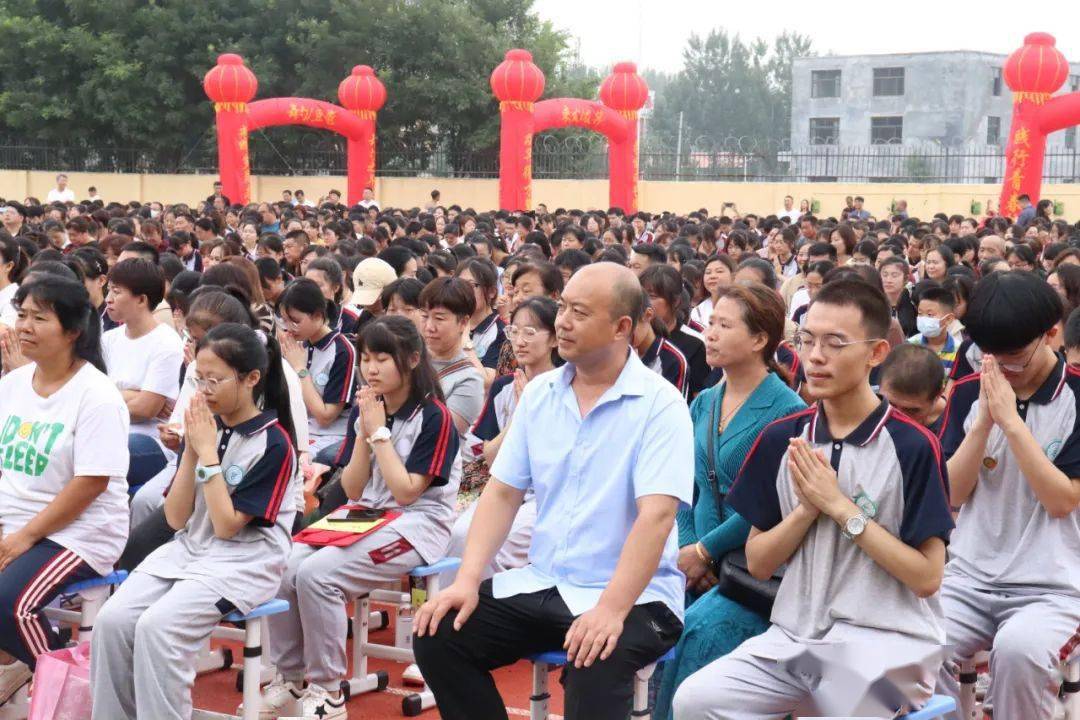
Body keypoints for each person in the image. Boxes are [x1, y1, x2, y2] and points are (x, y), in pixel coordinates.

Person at [413, 262, 690, 720]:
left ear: (622, 327)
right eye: (563, 307)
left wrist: (610, 609)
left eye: (579, 313)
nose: (562, 321)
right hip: (545, 580)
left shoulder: (661, 406)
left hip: (636, 596)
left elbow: (656, 517)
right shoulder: (542, 394)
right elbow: (501, 494)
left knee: (595, 658)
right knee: (439, 633)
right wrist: (466, 580)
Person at [674, 279, 954, 719]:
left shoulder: (911, 446)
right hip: (795, 639)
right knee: (696, 701)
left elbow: (926, 578)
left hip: (891, 646)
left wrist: (842, 509)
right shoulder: (782, 439)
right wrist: (807, 510)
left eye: (836, 343)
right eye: (807, 339)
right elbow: (761, 563)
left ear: (876, 353)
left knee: (842, 706)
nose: (816, 356)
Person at [91, 323, 298, 720]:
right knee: (112, 620)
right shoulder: (206, 427)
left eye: (215, 379)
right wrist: (192, 448)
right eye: (198, 378)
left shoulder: (273, 443)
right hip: (189, 549)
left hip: (244, 562)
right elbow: (174, 517)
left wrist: (207, 454)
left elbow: (226, 526)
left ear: (252, 378)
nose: (204, 389)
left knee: (158, 629)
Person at [257, 316, 460, 719]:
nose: (370, 368)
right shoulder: (368, 408)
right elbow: (352, 489)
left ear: (413, 359)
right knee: (284, 564)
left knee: (319, 576)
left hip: (418, 522)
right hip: (365, 512)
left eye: (383, 358)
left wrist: (380, 434)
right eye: (366, 357)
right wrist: (367, 436)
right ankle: (291, 675)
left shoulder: (435, 417)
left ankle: (328, 690)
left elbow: (406, 492)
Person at [655, 284, 805, 720]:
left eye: (724, 325)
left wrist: (707, 551)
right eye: (711, 323)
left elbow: (767, 504)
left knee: (698, 635)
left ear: (759, 340)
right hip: (692, 557)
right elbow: (687, 483)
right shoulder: (704, 400)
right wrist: (690, 547)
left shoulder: (787, 412)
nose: (711, 334)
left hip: (756, 565)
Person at [936, 271, 1080, 720]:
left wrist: (1012, 424)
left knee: (1019, 651)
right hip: (970, 574)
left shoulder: (1076, 395)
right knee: (920, 643)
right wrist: (983, 423)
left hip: (1055, 584)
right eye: (988, 352)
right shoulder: (966, 393)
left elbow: (1061, 501)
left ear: (1051, 333)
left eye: (1014, 354)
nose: (1000, 365)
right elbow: (953, 494)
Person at [0, 275, 130, 702]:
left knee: (10, 603)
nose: (24, 327)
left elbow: (90, 484)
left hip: (77, 531)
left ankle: (80, 695)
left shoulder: (96, 395)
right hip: (17, 519)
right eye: (22, 315)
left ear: (73, 331)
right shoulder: (13, 386)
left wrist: (24, 536)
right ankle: (25, 668)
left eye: (40, 318)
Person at [447, 297, 561, 575]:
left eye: (530, 332)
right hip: (505, 488)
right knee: (458, 534)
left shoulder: (565, 388)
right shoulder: (504, 387)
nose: (519, 341)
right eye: (514, 331)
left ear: (555, 339)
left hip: (545, 495)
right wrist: (520, 414)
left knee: (497, 545)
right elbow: (492, 457)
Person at [101, 259, 184, 501]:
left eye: (117, 292)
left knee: (106, 452)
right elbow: (90, 397)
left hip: (152, 442)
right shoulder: (110, 339)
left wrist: (115, 397)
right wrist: (131, 394)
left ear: (141, 299)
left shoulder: (166, 343)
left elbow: (146, 409)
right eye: (109, 290)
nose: (108, 299)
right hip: (111, 430)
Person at [277, 278, 357, 463]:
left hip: (331, 438)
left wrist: (299, 369)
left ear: (318, 315)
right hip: (299, 431)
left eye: (295, 321)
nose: (289, 327)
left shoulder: (342, 351)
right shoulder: (296, 347)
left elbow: (325, 416)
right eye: (285, 321)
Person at [418, 277, 485, 435]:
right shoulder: (408, 359)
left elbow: (442, 436)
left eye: (439, 318)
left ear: (463, 323)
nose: (429, 327)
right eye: (424, 316)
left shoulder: (469, 380)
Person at [640, 264, 709, 398]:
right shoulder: (632, 338)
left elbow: (698, 397)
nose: (644, 303)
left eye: (652, 296)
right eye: (641, 295)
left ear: (676, 301)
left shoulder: (695, 343)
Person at [879, 344, 947, 435]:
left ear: (938, 395)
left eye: (911, 410)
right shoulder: (866, 411)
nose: (897, 417)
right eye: (889, 404)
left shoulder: (958, 425)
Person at [632, 291, 689, 399]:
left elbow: (675, 408)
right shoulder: (619, 352)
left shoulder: (673, 359)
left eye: (630, 325)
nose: (623, 333)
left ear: (648, 315)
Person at [908, 285, 958, 375]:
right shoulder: (910, 345)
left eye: (930, 314)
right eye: (920, 313)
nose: (923, 318)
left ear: (948, 319)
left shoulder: (958, 350)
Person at [690, 255, 736, 328]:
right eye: (708, 272)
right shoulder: (698, 312)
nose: (712, 276)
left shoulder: (742, 307)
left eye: (719, 271)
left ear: (733, 275)